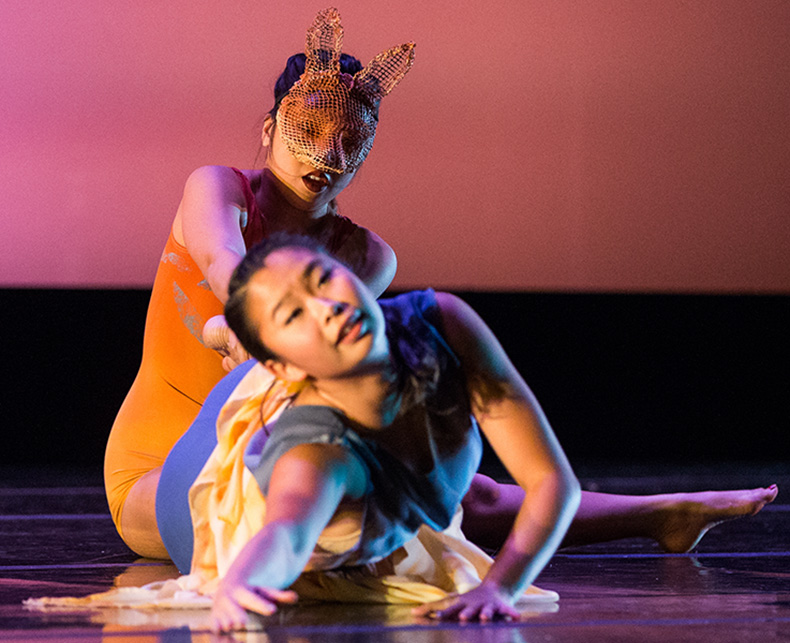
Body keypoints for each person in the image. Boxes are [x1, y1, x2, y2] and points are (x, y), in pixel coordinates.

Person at [151, 233, 776, 631]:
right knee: (434, 501)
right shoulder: (314, 454)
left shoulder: (439, 322)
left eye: (323, 279)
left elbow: (547, 479)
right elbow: (287, 525)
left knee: (462, 494)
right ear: (281, 366)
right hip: (205, 500)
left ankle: (665, 514)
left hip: (325, 405)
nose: (329, 307)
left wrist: (503, 588)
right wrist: (245, 579)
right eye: (295, 313)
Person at [104, 7, 415, 559]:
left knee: (428, 497)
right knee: (288, 511)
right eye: (309, 129)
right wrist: (234, 329)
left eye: (350, 137)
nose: (328, 154)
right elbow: (221, 257)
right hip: (156, 464)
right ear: (272, 127)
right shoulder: (219, 189)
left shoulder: (366, 256)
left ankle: (622, 511)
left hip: (273, 450)